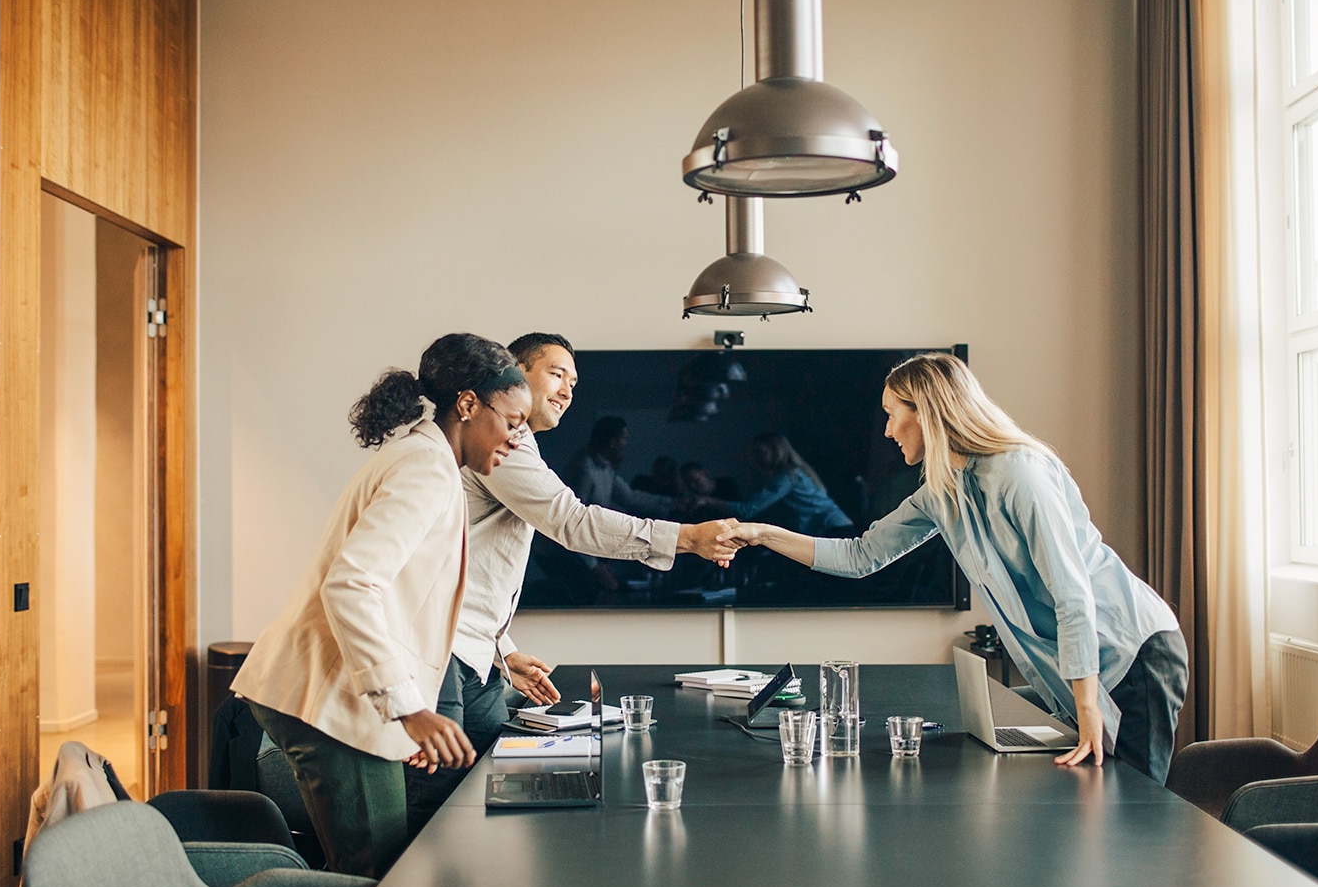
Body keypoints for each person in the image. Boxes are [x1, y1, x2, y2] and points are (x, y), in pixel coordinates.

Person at [719, 353, 1187, 783]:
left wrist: (1085, 704)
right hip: (1083, 667)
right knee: (1100, 801)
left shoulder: (1019, 473)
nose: (886, 430)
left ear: (925, 411)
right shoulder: (943, 492)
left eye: (891, 414)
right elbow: (861, 556)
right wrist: (762, 534)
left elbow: (1071, 593)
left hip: (1130, 650)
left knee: (1136, 809)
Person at [403, 333, 740, 829]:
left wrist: (503, 648)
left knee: (495, 782)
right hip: (443, 648)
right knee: (444, 799)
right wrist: (686, 537)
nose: (567, 390)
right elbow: (572, 522)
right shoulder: (504, 442)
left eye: (575, 382)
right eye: (557, 374)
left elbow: (470, 564)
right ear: (513, 372)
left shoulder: (519, 443)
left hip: (472, 647)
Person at [231, 333, 532, 876]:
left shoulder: (425, 461)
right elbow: (351, 585)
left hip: (344, 697)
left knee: (382, 873)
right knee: (378, 879)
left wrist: (406, 716)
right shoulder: (425, 470)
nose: (518, 439)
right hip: (330, 700)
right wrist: (408, 709)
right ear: (467, 405)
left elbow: (405, 606)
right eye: (512, 421)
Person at [713, 431, 854, 535]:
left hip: (834, 531)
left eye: (760, 452)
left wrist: (710, 502)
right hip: (834, 528)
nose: (755, 458)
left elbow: (749, 509)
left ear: (776, 451)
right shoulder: (795, 473)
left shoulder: (787, 477)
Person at [564, 416, 674, 517]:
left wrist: (671, 503)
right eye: (624, 438)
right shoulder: (585, 468)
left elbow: (629, 497)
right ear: (612, 442)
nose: (624, 444)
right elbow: (575, 513)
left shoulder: (605, 468)